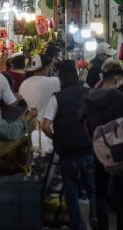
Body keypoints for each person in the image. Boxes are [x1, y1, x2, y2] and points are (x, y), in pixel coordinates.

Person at [42, 60, 97, 230]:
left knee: (71, 190)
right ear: (76, 74)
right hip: (88, 147)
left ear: (61, 78)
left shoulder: (57, 97)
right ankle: (95, 219)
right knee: (92, 188)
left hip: (67, 151)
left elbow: (45, 125)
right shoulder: (89, 93)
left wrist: (56, 138)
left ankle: (77, 224)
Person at [80, 61, 123, 230]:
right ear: (118, 78)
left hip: (97, 152)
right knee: (121, 197)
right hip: (119, 153)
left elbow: (82, 122)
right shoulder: (120, 98)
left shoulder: (88, 97)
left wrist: (94, 140)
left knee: (100, 193)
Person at [19, 54, 60, 121]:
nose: (52, 69)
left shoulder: (24, 83)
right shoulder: (54, 81)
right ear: (46, 68)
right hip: (45, 127)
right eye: (51, 66)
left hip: (28, 126)